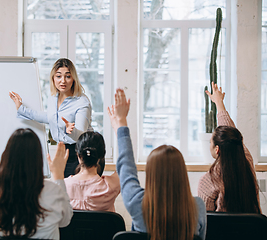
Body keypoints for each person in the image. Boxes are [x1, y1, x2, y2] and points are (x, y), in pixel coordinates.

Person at [108, 88, 206, 240]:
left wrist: (121, 125)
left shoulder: (138, 204)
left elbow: (126, 168)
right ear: (182, 173)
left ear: (151, 174)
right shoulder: (197, 207)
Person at [0, 129, 73, 239]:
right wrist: (58, 176)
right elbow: (65, 221)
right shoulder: (53, 191)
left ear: (6, 156)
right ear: (38, 159)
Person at [9, 58, 93, 177]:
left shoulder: (82, 102)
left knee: (71, 192)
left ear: (73, 78)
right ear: (53, 78)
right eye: (58, 76)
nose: (63, 81)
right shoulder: (53, 97)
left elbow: (80, 135)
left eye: (68, 76)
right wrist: (21, 108)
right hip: (62, 150)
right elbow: (49, 117)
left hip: (80, 152)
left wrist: (71, 130)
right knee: (62, 189)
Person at [198, 83, 261, 213]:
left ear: (217, 150)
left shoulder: (208, 181)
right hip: (252, 233)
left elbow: (206, 222)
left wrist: (218, 103)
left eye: (210, 142)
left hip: (222, 234)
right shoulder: (246, 162)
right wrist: (219, 104)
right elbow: (231, 133)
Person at [64, 131, 120, 212]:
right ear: (101, 156)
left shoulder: (63, 187)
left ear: (78, 155)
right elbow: (125, 164)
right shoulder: (110, 186)